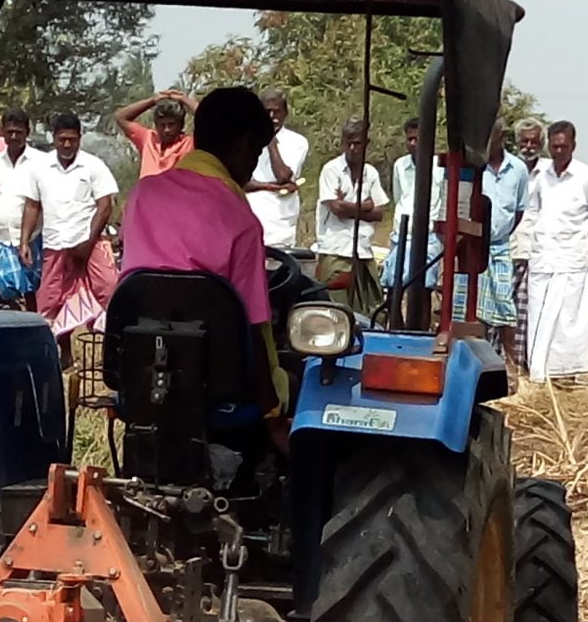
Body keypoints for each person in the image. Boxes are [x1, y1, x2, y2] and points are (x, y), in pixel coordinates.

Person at [119, 86, 284, 424]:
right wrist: (273, 414)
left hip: (140, 372)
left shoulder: (141, 195)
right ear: (241, 146)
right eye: (255, 154)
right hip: (217, 387)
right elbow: (254, 327)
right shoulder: (241, 220)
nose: (253, 168)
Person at [525, 120, 588, 383]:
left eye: (564, 146)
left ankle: (566, 374)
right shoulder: (541, 176)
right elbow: (533, 210)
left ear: (573, 146)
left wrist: (577, 241)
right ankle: (539, 374)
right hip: (543, 258)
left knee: (568, 321)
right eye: (554, 146)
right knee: (538, 315)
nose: (558, 151)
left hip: (571, 259)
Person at [36, 112, 121, 346]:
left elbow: (105, 207)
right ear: (53, 138)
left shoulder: (93, 165)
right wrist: (25, 240)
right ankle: (60, 352)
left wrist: (87, 243)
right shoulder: (41, 166)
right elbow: (32, 205)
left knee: (109, 290)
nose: (66, 144)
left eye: (72, 139)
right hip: (55, 243)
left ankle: (112, 350)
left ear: (79, 139)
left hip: (91, 243)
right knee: (50, 301)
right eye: (62, 139)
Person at [314, 120, 390, 314]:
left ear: (367, 144)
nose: (352, 148)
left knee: (372, 310)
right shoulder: (331, 169)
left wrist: (348, 206)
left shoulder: (370, 173)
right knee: (333, 309)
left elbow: (379, 213)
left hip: (363, 250)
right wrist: (365, 207)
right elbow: (336, 207)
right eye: (348, 143)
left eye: (357, 143)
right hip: (336, 248)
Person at [480, 121, 533, 371]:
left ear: (502, 137)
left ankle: (511, 368)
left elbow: (519, 211)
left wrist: (501, 233)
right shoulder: (475, 167)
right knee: (475, 311)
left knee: (505, 307)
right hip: (474, 247)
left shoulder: (518, 169)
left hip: (501, 247)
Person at [0, 109, 49, 304]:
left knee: (32, 291)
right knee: (1, 290)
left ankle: (35, 330)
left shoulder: (41, 162)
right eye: (9, 132)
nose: (13, 137)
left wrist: (26, 240)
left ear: (27, 133)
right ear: (1, 132)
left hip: (32, 238)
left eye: (18, 132)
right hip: (1, 238)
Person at [387, 118, 445, 302]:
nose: (412, 144)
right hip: (402, 233)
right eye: (409, 139)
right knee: (393, 283)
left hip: (429, 236)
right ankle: (394, 326)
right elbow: (398, 197)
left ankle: (420, 327)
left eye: (417, 139)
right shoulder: (400, 165)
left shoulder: (440, 167)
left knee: (423, 286)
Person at [247, 90, 311, 245]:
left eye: (276, 112)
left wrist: (271, 142)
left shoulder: (297, 142)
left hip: (279, 229)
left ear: (285, 113)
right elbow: (240, 182)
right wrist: (271, 186)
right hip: (249, 222)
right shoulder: (247, 139)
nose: (271, 117)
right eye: (266, 112)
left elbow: (283, 176)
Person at [509, 120, 546, 363]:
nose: (529, 146)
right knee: (503, 309)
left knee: (526, 310)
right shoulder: (509, 167)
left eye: (534, 141)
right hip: (507, 245)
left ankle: (521, 362)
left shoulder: (549, 171)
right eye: (525, 141)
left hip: (535, 249)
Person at [115, 91, 196, 180]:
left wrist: (185, 100)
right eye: (162, 125)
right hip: (147, 192)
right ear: (156, 126)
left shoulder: (189, 143)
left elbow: (210, 118)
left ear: (181, 125)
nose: (166, 130)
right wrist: (152, 101)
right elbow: (120, 117)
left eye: (171, 125)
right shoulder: (147, 138)